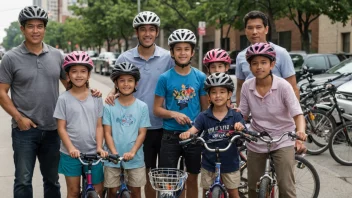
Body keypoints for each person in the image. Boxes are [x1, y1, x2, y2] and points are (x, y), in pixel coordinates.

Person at [0, 6, 101, 198]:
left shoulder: (56, 56)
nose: (35, 30)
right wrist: (19, 118)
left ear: (45, 29)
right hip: (24, 131)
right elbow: (2, 93)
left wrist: (90, 91)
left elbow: (72, 86)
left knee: (52, 180)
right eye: (30, 26)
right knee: (23, 179)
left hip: (53, 130)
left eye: (40, 26)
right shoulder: (10, 58)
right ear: (22, 29)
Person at [105, 11, 173, 197]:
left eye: (152, 29)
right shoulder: (124, 58)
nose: (147, 33)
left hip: (163, 124)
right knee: (144, 173)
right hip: (136, 127)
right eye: (143, 29)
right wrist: (111, 94)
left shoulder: (168, 57)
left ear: (157, 32)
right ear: (137, 32)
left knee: (161, 175)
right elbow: (117, 85)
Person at [238, 42, 307, 198]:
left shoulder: (283, 86)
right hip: (257, 139)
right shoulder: (247, 87)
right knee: (253, 189)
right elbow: (242, 114)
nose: (259, 67)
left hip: (283, 138)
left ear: (272, 64)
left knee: (286, 188)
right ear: (249, 66)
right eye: (254, 63)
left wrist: (301, 131)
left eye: (264, 62)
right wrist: (238, 126)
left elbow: (298, 114)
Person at [154, 29, 209, 198]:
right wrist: (173, 114)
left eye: (186, 49)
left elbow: (205, 110)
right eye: (178, 49)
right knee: (169, 181)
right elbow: (157, 109)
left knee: (192, 178)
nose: (182, 52)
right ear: (172, 52)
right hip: (170, 135)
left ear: (192, 52)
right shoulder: (164, 78)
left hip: (193, 135)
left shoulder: (200, 77)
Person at [179, 73, 245, 198]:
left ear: (229, 94)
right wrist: (187, 134)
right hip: (208, 162)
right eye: (213, 92)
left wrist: (240, 128)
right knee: (206, 192)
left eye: (222, 92)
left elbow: (243, 130)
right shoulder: (204, 116)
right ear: (208, 96)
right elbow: (195, 129)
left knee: (233, 193)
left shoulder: (235, 115)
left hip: (230, 162)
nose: (218, 95)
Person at [53, 51, 108, 198]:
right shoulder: (63, 99)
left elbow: (99, 125)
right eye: (74, 71)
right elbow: (61, 127)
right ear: (68, 75)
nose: (79, 75)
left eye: (83, 71)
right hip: (71, 154)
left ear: (89, 74)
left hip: (93, 152)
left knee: (98, 191)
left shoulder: (96, 97)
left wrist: (99, 147)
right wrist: (71, 148)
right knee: (74, 191)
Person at [103, 62, 151, 198]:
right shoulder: (109, 106)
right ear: (116, 84)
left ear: (136, 84)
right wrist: (113, 153)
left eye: (130, 80)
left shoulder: (142, 107)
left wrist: (133, 151)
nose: (126, 84)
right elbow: (107, 132)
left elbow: (142, 133)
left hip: (135, 158)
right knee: (112, 191)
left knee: (135, 192)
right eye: (122, 80)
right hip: (112, 158)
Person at [235, 10, 298, 107]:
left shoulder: (281, 53)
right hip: (252, 113)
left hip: (278, 113)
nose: (254, 32)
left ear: (266, 29)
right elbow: (240, 85)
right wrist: (240, 115)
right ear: (245, 31)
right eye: (250, 28)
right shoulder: (241, 56)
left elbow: (293, 87)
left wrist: (293, 117)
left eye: (258, 27)